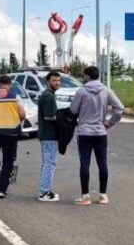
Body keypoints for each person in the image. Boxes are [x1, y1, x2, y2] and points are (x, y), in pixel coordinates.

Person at [70, 66, 123, 206]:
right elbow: (120, 108)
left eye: (84, 75)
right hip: (100, 132)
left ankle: (85, 196)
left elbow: (73, 109)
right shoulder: (106, 91)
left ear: (87, 76)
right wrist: (110, 123)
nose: (83, 77)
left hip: (85, 132)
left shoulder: (81, 91)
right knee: (102, 163)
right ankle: (103, 195)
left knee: (85, 163)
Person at [36, 71, 61, 202]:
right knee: (49, 164)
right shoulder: (48, 96)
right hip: (49, 135)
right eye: (54, 80)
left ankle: (45, 190)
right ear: (48, 82)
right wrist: (62, 119)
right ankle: (44, 192)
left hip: (48, 135)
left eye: (58, 80)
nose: (57, 83)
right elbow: (48, 116)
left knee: (49, 163)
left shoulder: (49, 95)